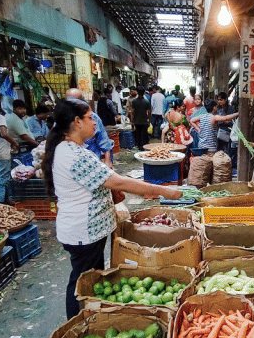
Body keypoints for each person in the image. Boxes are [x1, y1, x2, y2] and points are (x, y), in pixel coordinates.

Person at [41, 98, 182, 318]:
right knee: (81, 281)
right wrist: (163, 191)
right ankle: (78, 321)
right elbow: (118, 182)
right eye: (89, 117)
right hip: (83, 232)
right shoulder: (74, 155)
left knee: (90, 277)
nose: (95, 122)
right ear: (77, 122)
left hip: (86, 231)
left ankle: (89, 316)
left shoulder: (69, 149)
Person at [66, 88, 113, 167]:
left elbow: (104, 140)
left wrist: (107, 161)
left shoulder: (92, 117)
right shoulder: (62, 119)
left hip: (92, 162)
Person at [128, 86, 151, 150]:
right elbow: (149, 113)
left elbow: (132, 112)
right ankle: (143, 146)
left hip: (136, 121)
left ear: (137, 92)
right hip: (144, 121)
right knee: (144, 135)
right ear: (144, 93)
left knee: (137, 134)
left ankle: (138, 146)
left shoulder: (134, 101)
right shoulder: (146, 102)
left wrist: (132, 121)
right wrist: (149, 121)